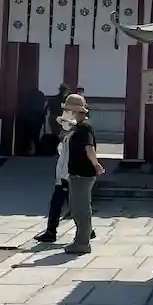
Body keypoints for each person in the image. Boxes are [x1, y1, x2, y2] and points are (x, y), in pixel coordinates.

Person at [63, 93, 104, 254]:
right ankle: (81, 239)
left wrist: (96, 164)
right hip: (77, 173)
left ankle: (82, 242)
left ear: (75, 111)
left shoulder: (84, 128)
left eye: (68, 110)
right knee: (77, 208)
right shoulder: (78, 127)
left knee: (80, 209)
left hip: (82, 174)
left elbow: (89, 148)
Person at [34, 108, 76, 243]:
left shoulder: (71, 139)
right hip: (63, 177)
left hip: (66, 177)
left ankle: (51, 232)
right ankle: (87, 230)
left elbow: (68, 160)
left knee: (60, 205)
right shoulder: (66, 139)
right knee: (70, 205)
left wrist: (64, 177)